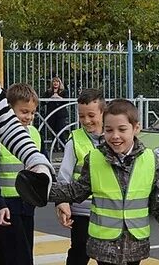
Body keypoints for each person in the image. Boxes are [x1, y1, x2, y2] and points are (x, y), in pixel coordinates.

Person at [49, 99, 159, 265]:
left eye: (122, 129)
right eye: (109, 130)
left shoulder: (151, 160)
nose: (115, 136)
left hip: (135, 246)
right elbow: (76, 191)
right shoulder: (95, 158)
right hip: (104, 246)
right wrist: (44, 190)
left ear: (136, 128)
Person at [0, 84, 44, 265]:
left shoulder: (35, 134)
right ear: (8, 110)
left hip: (27, 205)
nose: (28, 117)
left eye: (32, 113)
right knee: (12, 257)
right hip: (6, 207)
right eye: (24, 112)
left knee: (25, 252)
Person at [55, 88, 106, 265]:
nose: (86, 120)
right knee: (79, 252)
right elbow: (64, 176)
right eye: (81, 116)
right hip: (81, 211)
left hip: (108, 212)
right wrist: (62, 202)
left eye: (91, 115)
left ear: (103, 112)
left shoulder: (115, 138)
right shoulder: (75, 139)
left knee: (107, 255)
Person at [41, 77, 69, 151]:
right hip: (51, 114)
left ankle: (64, 147)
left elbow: (67, 101)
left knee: (60, 130)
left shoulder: (64, 92)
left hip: (61, 114)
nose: (55, 83)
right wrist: (50, 99)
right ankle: (55, 147)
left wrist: (59, 98)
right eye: (54, 81)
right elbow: (42, 102)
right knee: (53, 131)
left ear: (60, 83)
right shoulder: (48, 92)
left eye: (57, 81)